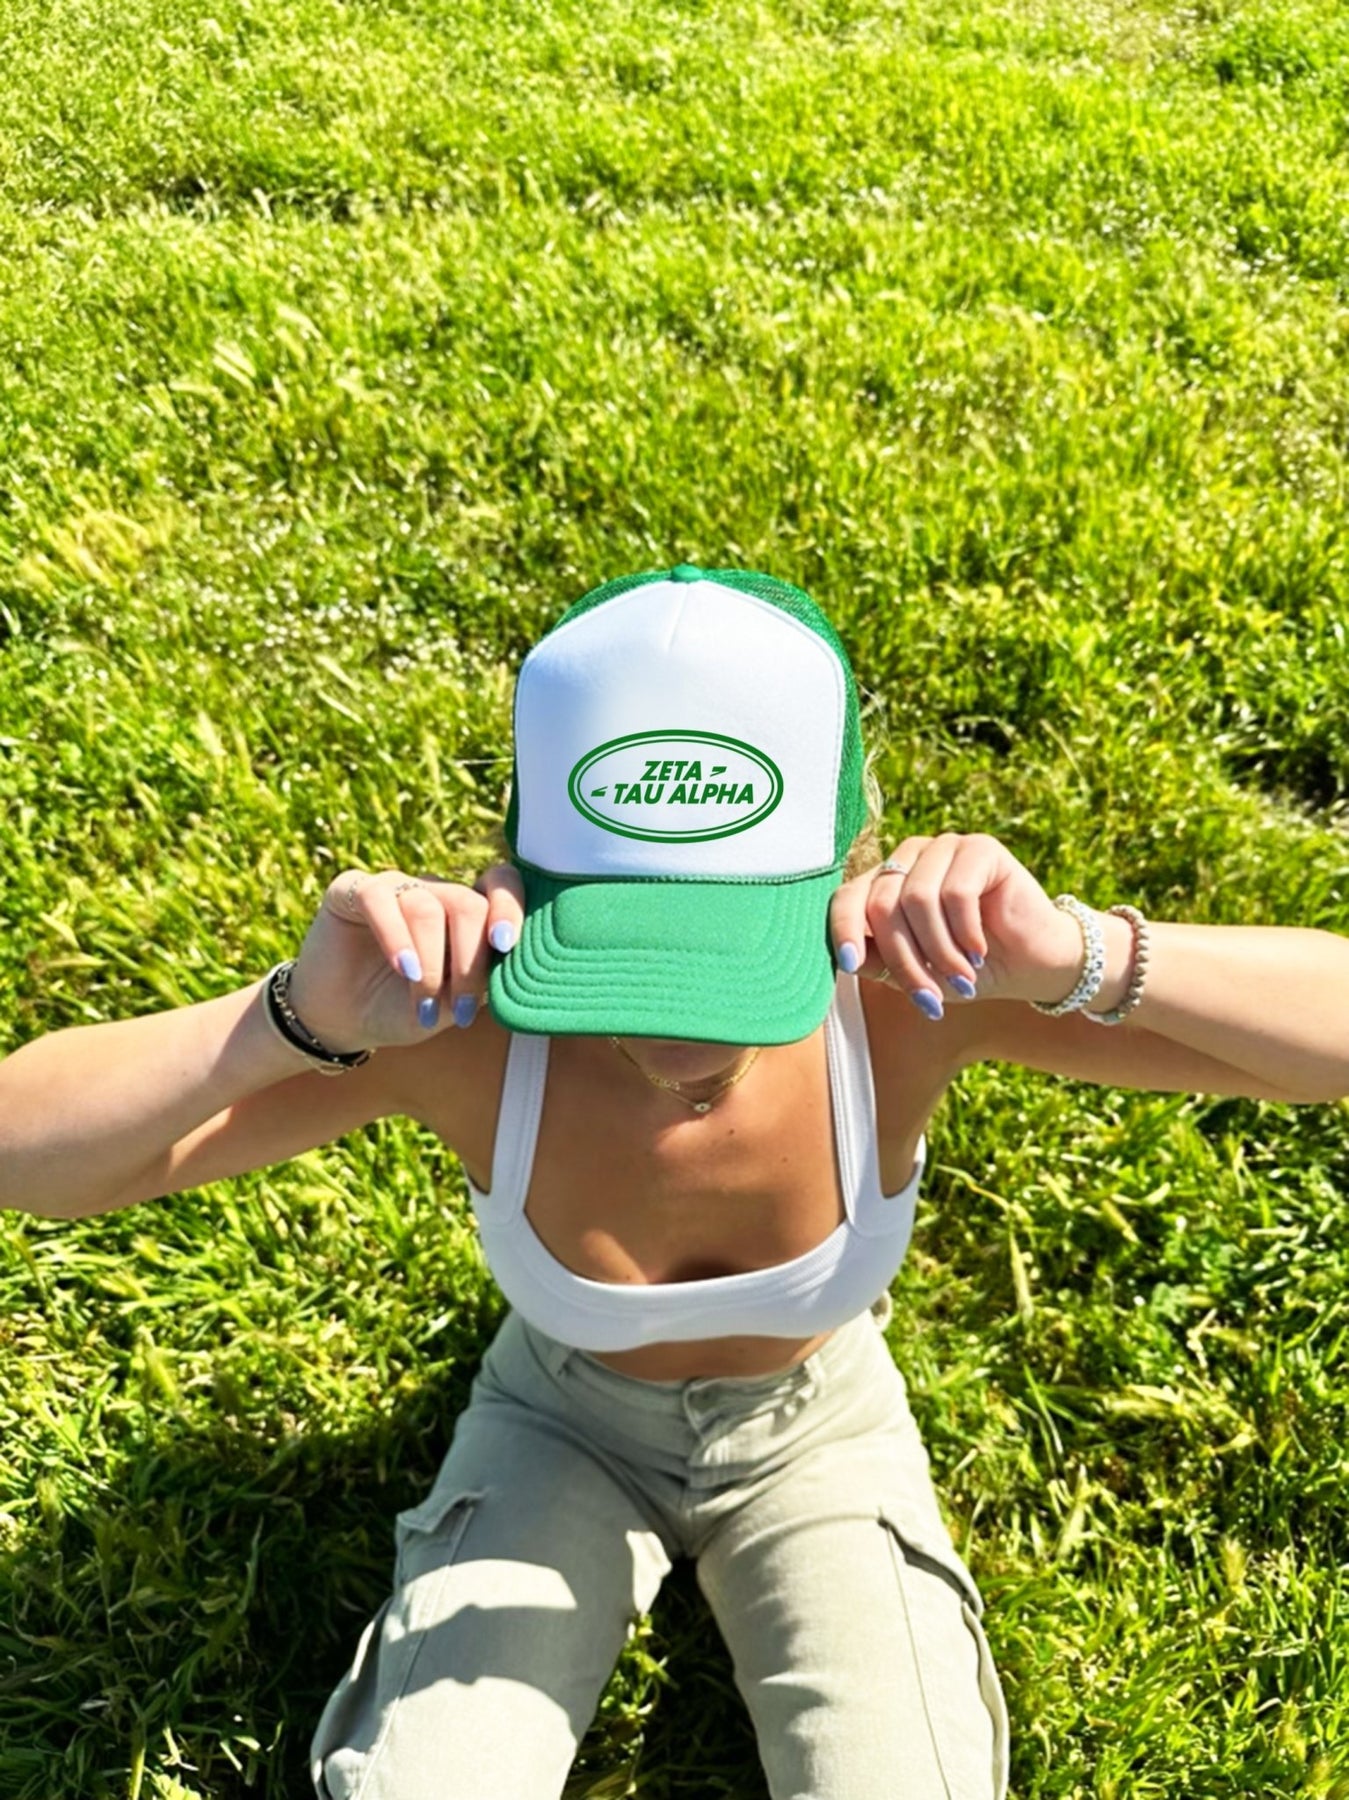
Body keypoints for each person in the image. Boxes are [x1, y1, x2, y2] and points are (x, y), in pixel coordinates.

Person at [3, 564, 1347, 1800]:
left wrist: (1076, 957)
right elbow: (25, 1157)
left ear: (853, 875)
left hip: (819, 1430)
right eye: (619, 940)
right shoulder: (462, 1035)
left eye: (728, 941)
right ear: (514, 882)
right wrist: (294, 1017)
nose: (668, 1023)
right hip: (560, 1423)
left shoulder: (902, 1003)